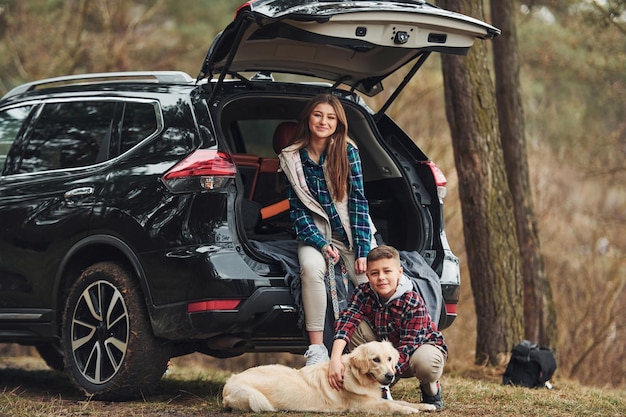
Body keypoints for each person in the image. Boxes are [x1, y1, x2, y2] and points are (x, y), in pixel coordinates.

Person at [278, 94, 377, 366]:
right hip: (314, 235)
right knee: (311, 269)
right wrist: (321, 244)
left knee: (370, 282)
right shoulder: (291, 158)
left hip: (350, 233)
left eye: (330, 117)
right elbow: (297, 211)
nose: (324, 121)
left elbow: (358, 201)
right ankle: (317, 349)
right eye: (318, 115)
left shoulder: (348, 151)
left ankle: (385, 351)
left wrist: (362, 249)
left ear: (338, 123)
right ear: (308, 118)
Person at [327, 245, 447, 410]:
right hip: (384, 355)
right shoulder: (363, 293)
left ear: (399, 272)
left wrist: (386, 375)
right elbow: (346, 322)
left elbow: (409, 347)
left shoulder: (412, 301)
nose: (381, 278)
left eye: (387, 271)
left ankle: (431, 388)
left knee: (426, 364)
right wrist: (335, 360)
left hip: (417, 350)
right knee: (352, 325)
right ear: (367, 275)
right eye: (375, 273)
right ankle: (374, 385)